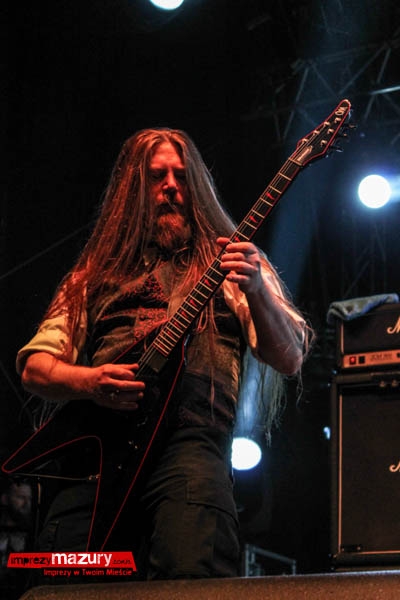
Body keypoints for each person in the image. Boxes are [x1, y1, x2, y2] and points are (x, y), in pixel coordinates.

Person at [14, 128, 311, 580]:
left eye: (181, 176)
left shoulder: (235, 264)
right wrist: (90, 382)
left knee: (189, 572)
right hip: (98, 457)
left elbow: (290, 358)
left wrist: (256, 290)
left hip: (191, 446)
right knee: (69, 582)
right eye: (157, 176)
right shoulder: (92, 274)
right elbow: (36, 367)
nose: (171, 186)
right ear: (133, 190)